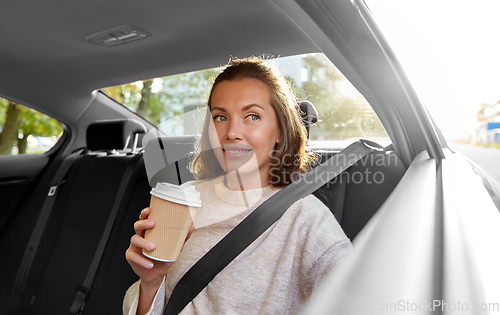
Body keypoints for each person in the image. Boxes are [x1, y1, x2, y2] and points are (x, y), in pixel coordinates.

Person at [123, 57, 352, 315]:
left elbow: (361, 296)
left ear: (279, 131)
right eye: (221, 117)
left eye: (252, 116)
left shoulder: (306, 219)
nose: (232, 132)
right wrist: (151, 281)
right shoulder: (186, 198)